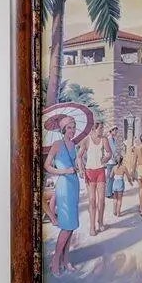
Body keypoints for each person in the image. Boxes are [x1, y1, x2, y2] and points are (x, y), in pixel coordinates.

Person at [44, 115, 88, 274]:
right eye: (69, 127)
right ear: (63, 129)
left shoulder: (73, 145)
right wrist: (64, 171)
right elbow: (47, 165)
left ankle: (66, 259)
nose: (72, 130)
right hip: (64, 186)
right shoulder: (57, 144)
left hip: (74, 184)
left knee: (72, 226)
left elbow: (75, 162)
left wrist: (80, 169)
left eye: (74, 127)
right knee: (67, 227)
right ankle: (55, 261)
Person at [79, 119, 111, 234]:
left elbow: (109, 152)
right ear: (94, 129)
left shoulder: (104, 139)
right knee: (92, 200)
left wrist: (106, 158)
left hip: (100, 171)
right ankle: (92, 226)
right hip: (89, 172)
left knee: (101, 199)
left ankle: (100, 221)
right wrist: (81, 169)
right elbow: (79, 157)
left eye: (103, 128)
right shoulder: (86, 140)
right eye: (101, 128)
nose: (102, 130)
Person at [107, 128, 129, 218]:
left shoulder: (114, 139)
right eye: (115, 131)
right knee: (110, 178)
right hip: (111, 160)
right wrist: (117, 156)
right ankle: (109, 194)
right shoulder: (109, 139)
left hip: (114, 161)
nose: (116, 132)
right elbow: (113, 150)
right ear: (111, 131)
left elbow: (116, 149)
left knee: (112, 177)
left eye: (116, 130)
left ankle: (112, 194)